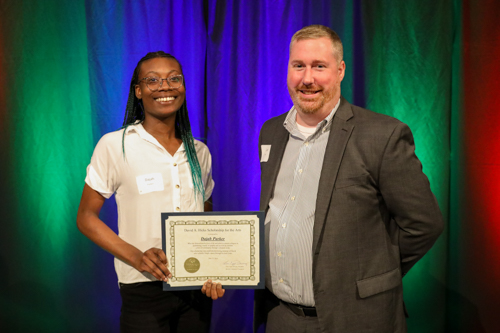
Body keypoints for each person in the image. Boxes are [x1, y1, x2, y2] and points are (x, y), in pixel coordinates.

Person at [255, 25, 444, 332]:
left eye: (319, 66)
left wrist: (374, 273)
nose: (307, 78)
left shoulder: (381, 135)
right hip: (281, 317)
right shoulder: (271, 132)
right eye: (298, 65)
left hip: (355, 319)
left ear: (340, 70)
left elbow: (424, 224)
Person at [77, 51, 223, 333]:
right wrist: (137, 256)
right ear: (139, 90)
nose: (165, 87)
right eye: (153, 80)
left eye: (174, 79)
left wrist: (213, 261)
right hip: (142, 287)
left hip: (195, 286)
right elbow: (86, 217)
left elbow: (205, 209)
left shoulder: (199, 151)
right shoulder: (115, 146)